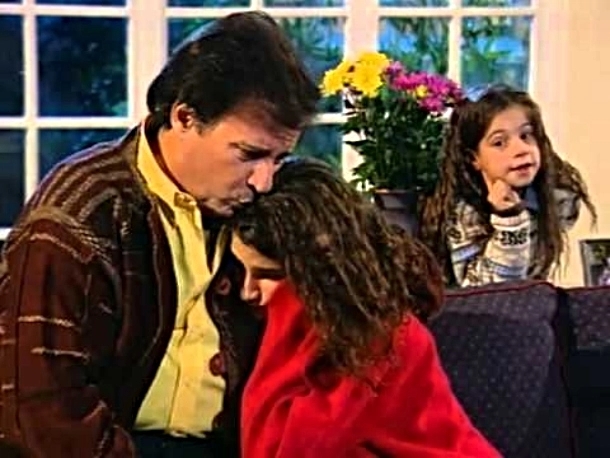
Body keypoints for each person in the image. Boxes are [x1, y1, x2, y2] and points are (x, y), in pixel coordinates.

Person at [0, 11, 319, 458]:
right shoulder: (80, 218)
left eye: (279, 159)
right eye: (249, 154)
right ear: (184, 117)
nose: (263, 181)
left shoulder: (259, 202)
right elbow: (43, 414)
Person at [227, 158, 501, 457]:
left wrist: (283, 319)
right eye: (242, 270)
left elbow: (285, 450)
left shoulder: (379, 337)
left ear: (321, 269)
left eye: (269, 275)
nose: (248, 292)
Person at [418, 85, 596, 287]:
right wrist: (509, 220)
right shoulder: (464, 212)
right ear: (474, 158)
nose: (521, 149)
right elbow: (487, 294)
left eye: (526, 135)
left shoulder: (557, 197)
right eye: (499, 143)